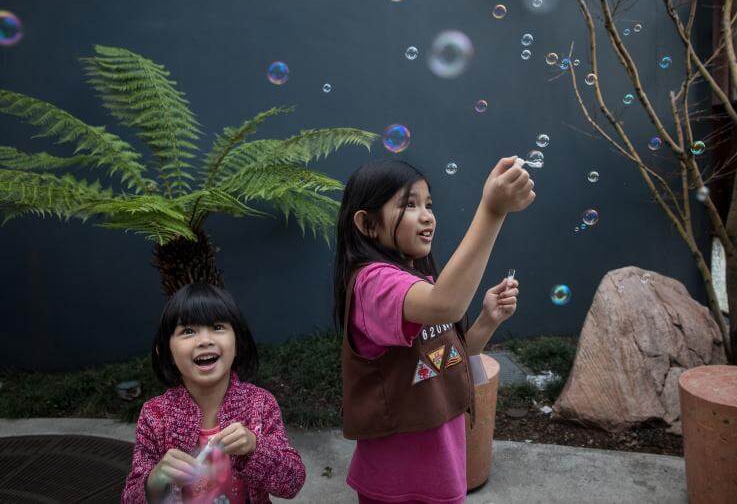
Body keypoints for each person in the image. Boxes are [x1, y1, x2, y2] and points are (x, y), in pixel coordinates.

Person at [333, 155, 535, 503]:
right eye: (409, 205)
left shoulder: (416, 282)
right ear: (367, 224)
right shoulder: (373, 284)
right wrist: (492, 210)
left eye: (429, 204)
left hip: (440, 473)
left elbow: (445, 361)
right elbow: (447, 304)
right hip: (398, 484)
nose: (427, 216)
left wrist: (488, 319)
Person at [122, 283, 306, 503]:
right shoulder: (155, 415)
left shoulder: (260, 404)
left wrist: (255, 447)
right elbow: (130, 498)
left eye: (218, 326)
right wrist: (156, 480)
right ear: (166, 351)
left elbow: (292, 483)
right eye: (188, 331)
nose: (205, 340)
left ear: (237, 341)